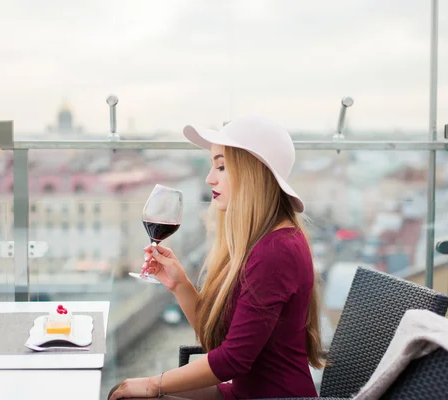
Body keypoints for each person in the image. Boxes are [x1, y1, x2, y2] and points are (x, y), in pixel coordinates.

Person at [109, 115, 323, 400]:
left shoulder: (276, 251)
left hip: (275, 397)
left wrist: (152, 383)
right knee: (125, 394)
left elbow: (232, 360)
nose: (210, 178)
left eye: (221, 166)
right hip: (247, 393)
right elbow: (220, 343)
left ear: (253, 173)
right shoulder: (265, 240)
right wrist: (180, 284)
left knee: (129, 396)